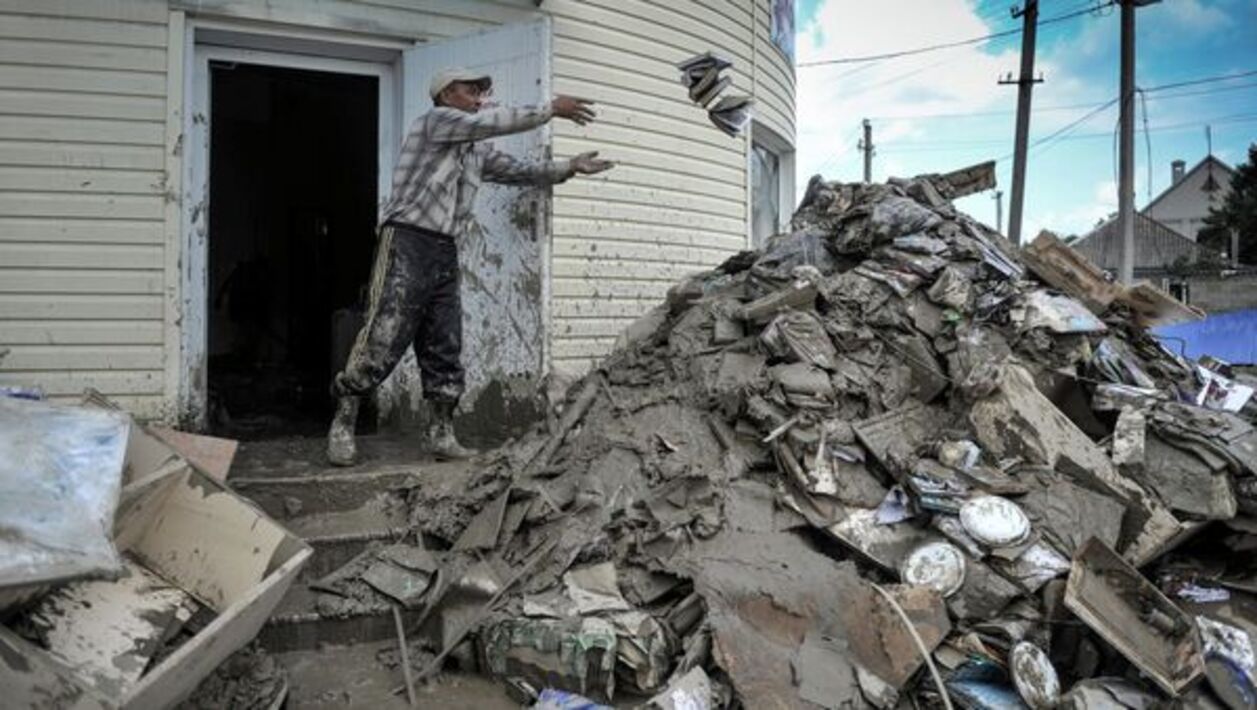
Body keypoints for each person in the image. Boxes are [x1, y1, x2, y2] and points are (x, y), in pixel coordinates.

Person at [327, 67, 614, 466]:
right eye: (471, 89)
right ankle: (343, 423)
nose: (479, 95)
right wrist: (550, 109)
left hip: (444, 248)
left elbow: (518, 172)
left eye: (482, 90)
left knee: (444, 342)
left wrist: (568, 167)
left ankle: (440, 433)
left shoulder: (474, 148)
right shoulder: (436, 121)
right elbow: (494, 122)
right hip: (407, 239)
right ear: (447, 95)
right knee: (384, 334)